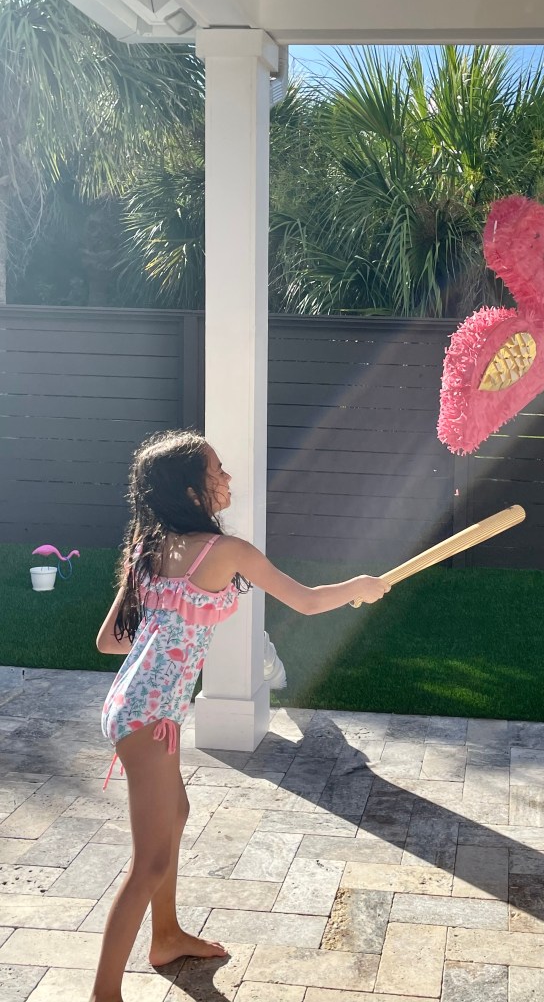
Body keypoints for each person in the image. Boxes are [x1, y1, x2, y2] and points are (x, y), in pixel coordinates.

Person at [90, 429, 389, 1002]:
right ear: (189, 488)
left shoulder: (149, 545)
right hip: (151, 717)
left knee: (174, 813)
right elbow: (304, 600)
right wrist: (360, 586)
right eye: (217, 470)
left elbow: (109, 640)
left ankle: (168, 936)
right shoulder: (224, 552)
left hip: (144, 709)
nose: (227, 478)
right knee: (150, 859)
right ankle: (104, 994)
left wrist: (164, 644)